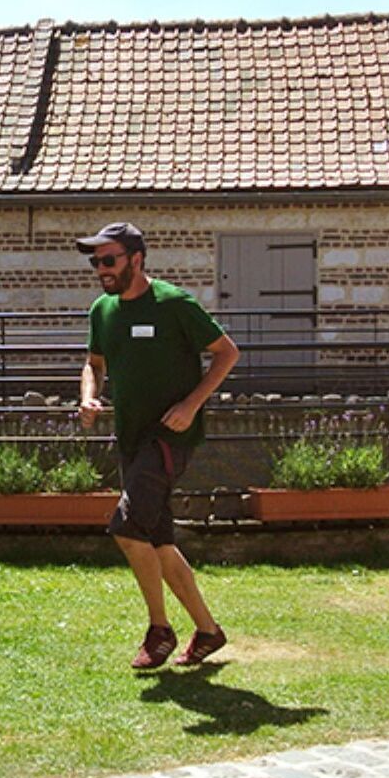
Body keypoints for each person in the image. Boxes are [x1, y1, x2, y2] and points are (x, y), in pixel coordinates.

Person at [77, 222, 239, 669]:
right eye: (96, 262)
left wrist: (191, 404)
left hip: (170, 437)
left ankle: (159, 630)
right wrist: (89, 395)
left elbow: (227, 352)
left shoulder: (174, 305)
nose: (101, 269)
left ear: (136, 259)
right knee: (158, 540)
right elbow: (93, 363)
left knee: (127, 529)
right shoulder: (102, 310)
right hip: (130, 438)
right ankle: (208, 631)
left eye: (108, 260)